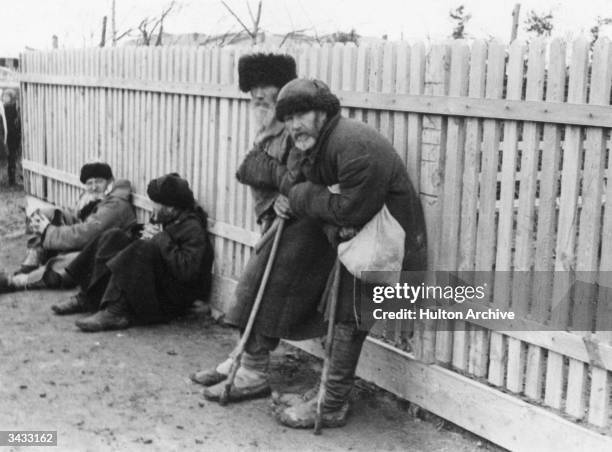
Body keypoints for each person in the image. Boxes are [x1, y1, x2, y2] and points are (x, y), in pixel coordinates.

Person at [233, 78, 427, 428]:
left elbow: (347, 210)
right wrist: (312, 199)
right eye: (288, 117)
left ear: (324, 112)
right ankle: (323, 392)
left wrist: (309, 199)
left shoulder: (354, 146)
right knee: (329, 303)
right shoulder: (309, 143)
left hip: (386, 242)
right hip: (348, 235)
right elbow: (294, 184)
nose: (294, 125)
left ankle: (332, 404)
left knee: (348, 314)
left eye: (302, 115)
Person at [189, 53, 337, 403]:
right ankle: (241, 358)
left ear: (281, 89)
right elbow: (248, 169)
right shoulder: (265, 127)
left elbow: (300, 177)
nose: (257, 95)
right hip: (275, 218)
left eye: (265, 88)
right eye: (252, 89)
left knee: (264, 289)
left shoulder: (294, 126)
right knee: (254, 285)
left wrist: (281, 187)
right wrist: (266, 174)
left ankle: (253, 371)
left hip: (302, 225)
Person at [52, 173, 214, 333]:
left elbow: (187, 272)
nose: (152, 207)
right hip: (154, 286)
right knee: (113, 236)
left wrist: (160, 239)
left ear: (170, 207)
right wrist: (141, 234)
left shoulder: (193, 228)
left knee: (143, 248)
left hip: (173, 299)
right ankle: (88, 297)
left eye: (156, 203)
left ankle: (116, 311)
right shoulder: (167, 219)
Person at [0, 162, 136, 293]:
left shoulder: (116, 204)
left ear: (109, 182)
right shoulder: (97, 198)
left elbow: (85, 235)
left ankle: (19, 281)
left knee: (72, 261)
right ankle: (32, 260)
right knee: (47, 214)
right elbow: (77, 220)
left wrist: (48, 231)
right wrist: (51, 221)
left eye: (99, 181)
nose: (94, 187)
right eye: (89, 183)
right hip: (90, 243)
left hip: (105, 253)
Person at [2, 89, 21, 186]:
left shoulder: (13, 108)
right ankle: (11, 179)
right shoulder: (3, 107)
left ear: (11, 98)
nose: (4, 98)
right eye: (3, 96)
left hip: (12, 136)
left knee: (12, 158)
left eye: (6, 96)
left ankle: (12, 179)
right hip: (6, 135)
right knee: (10, 157)